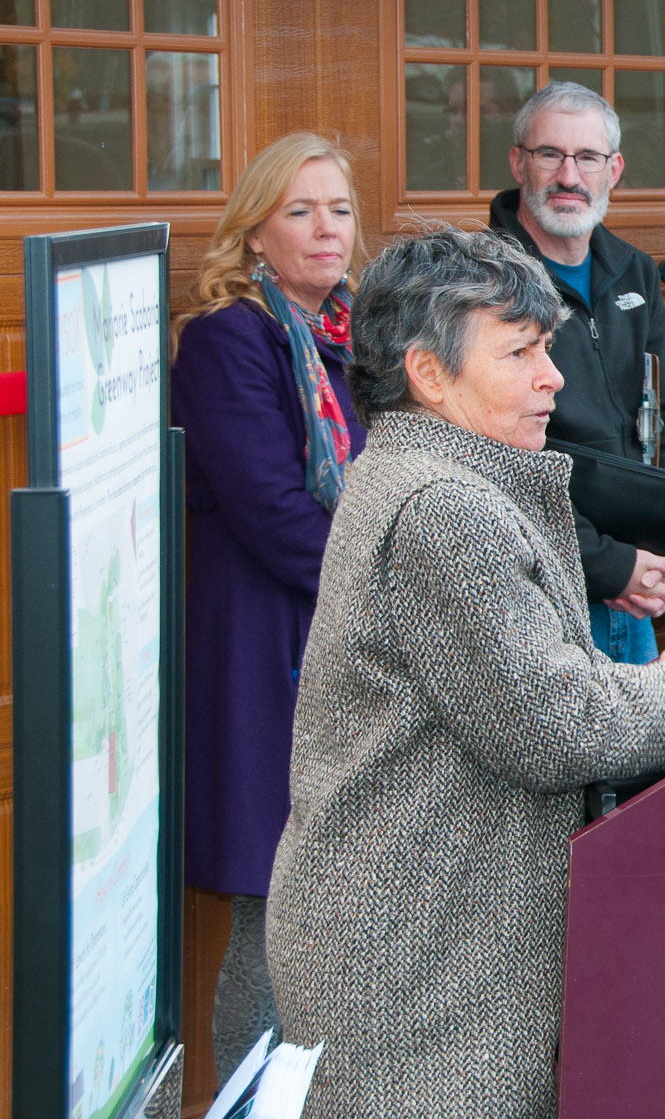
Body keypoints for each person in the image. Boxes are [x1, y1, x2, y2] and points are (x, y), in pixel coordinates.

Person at [266, 227, 665, 1116]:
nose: (553, 377)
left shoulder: (427, 471)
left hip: (428, 938)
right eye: (521, 351)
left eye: (549, 348)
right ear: (430, 373)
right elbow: (554, 724)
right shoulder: (446, 509)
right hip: (421, 964)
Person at [170, 132, 366, 1084]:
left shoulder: (347, 331)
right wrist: (399, 582)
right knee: (273, 908)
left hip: (337, 643)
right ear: (254, 236)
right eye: (300, 210)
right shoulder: (226, 341)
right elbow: (276, 516)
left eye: (338, 208)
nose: (327, 229)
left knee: (330, 906)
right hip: (262, 652)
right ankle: (248, 1104)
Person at [489, 80, 665, 664]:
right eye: (550, 154)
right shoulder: (483, 284)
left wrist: (657, 552)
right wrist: (607, 564)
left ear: (615, 169)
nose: (569, 176)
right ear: (518, 162)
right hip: (538, 592)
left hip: (636, 578)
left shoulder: (635, 272)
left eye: (588, 158)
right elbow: (499, 455)